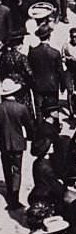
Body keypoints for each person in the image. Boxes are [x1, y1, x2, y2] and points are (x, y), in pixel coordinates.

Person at [0, 78, 33, 210]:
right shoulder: (21, 108)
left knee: (7, 170)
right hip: (18, 143)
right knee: (17, 171)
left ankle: (9, 193)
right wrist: (31, 137)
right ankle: (15, 198)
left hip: (4, 143)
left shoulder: (0, 108)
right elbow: (29, 126)